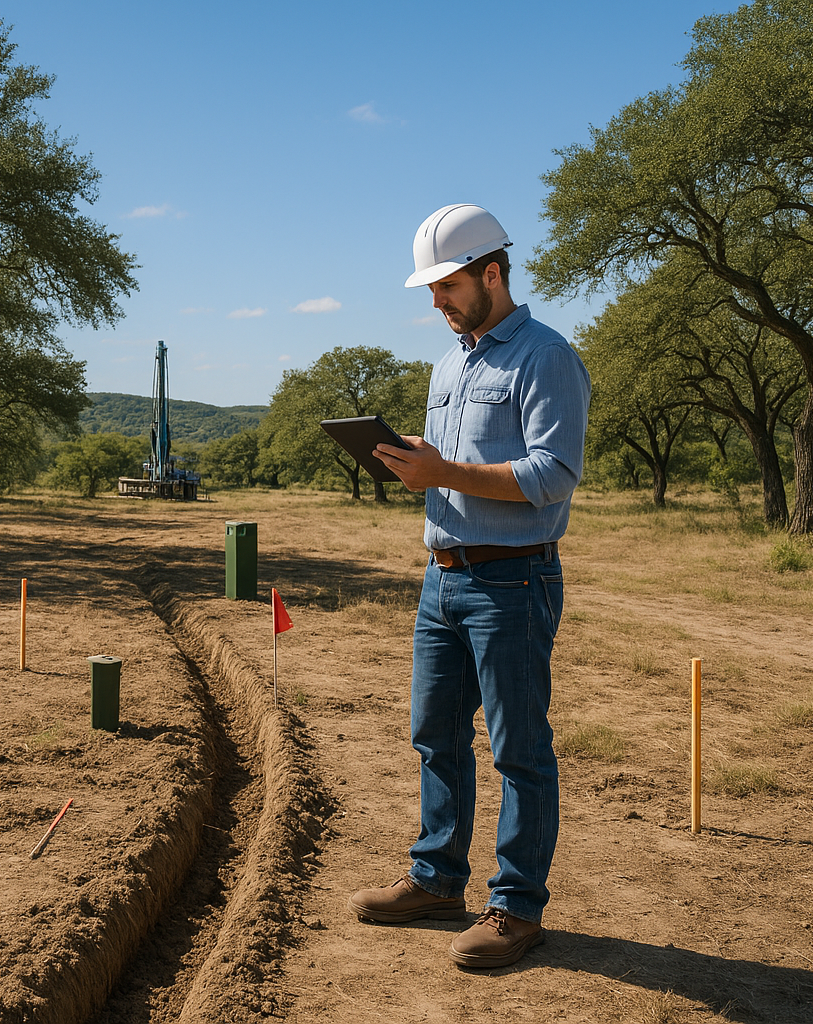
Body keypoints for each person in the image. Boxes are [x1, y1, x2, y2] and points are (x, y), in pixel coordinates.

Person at [348, 204, 591, 969]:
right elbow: (453, 470)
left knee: (519, 751)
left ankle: (517, 910)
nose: (437, 303)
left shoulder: (547, 358)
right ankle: (436, 878)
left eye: (447, 286)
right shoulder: (450, 363)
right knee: (436, 737)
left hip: (514, 579)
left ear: (493, 273)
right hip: (442, 579)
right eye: (431, 290)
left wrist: (444, 471)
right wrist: (413, 464)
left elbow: (552, 477)